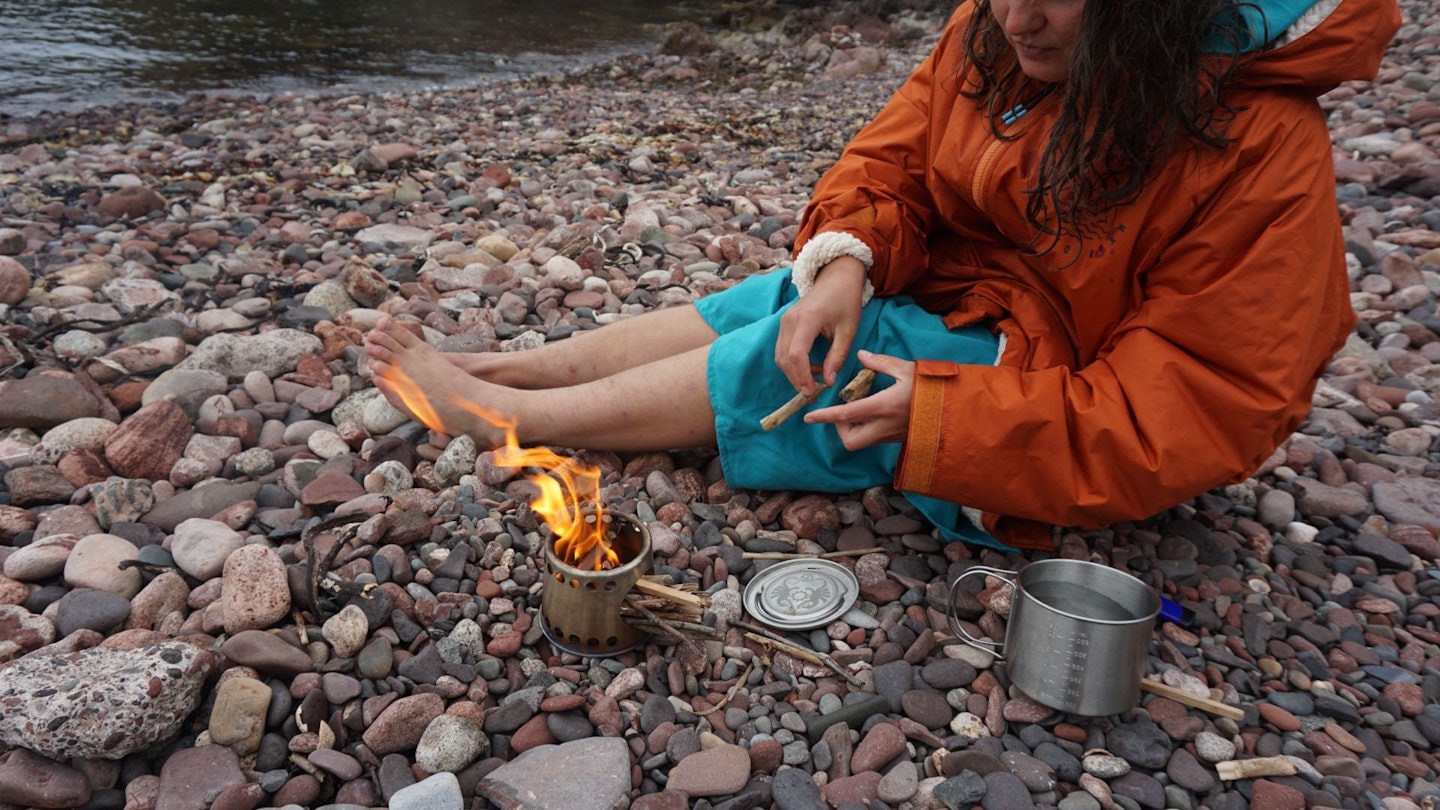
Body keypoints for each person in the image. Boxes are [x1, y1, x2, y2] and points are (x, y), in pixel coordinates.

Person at [364, 0, 1400, 551]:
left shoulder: (1260, 139)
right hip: (977, 297)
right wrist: (847, 258)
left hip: (1065, 396)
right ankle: (515, 368)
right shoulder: (1000, 34)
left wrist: (960, 422)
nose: (1014, 18)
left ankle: (506, 419)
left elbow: (1210, 404)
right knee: (790, 302)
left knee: (850, 359)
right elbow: (892, 162)